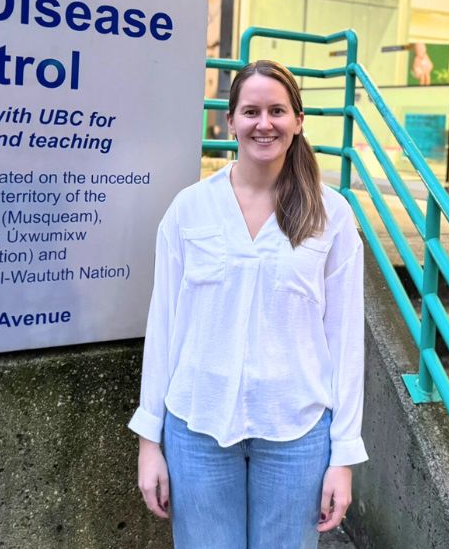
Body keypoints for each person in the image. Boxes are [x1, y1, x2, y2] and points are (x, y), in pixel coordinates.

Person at [128, 60, 367, 548]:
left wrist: (342, 457)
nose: (264, 123)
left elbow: (345, 344)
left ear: (298, 121)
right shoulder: (188, 209)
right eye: (251, 110)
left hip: (296, 434)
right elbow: (164, 327)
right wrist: (150, 442)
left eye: (277, 110)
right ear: (231, 119)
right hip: (197, 428)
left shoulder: (332, 215)